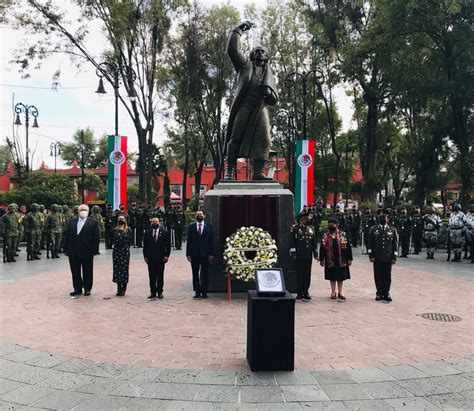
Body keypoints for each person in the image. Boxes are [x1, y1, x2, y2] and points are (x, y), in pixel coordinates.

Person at [223, 21, 278, 181]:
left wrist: (269, 94)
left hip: (261, 108)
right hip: (245, 107)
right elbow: (232, 50)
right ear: (253, 55)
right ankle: (230, 171)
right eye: (257, 51)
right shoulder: (244, 67)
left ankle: (258, 172)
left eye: (263, 51)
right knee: (236, 137)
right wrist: (238, 30)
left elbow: (274, 100)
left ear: (266, 56)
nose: (260, 53)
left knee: (264, 139)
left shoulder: (270, 73)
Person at [63, 204, 100, 297]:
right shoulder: (72, 222)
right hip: (73, 251)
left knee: (87, 270)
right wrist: (65, 248)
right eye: (81, 210)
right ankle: (77, 288)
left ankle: (87, 288)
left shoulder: (93, 222)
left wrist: (95, 250)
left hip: (87, 251)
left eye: (85, 210)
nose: (83, 211)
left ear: (88, 211)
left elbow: (96, 238)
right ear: (78, 211)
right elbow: (66, 235)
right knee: (75, 271)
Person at [319, 217, 352, 300]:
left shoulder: (342, 234)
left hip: (342, 259)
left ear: (337, 225)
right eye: (329, 225)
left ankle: (340, 292)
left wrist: (349, 258)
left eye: (332, 225)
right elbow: (322, 248)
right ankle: (333, 292)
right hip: (330, 259)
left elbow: (348, 247)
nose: (331, 226)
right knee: (332, 276)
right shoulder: (326, 235)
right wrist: (321, 259)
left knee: (341, 276)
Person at [368, 213, 398, 302]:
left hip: (388, 257)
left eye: (385, 218)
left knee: (387, 276)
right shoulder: (373, 229)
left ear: (388, 219)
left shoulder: (392, 230)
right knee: (378, 275)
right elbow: (370, 243)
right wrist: (371, 255)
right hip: (377, 257)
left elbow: (395, 245)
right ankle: (379, 292)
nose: (383, 219)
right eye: (381, 218)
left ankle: (386, 292)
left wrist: (394, 257)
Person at [186, 210, 215, 299]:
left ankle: (204, 292)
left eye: (201, 214)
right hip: (194, 255)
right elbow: (189, 241)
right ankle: (197, 291)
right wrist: (188, 254)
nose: (199, 215)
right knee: (195, 274)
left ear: (204, 216)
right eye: (197, 214)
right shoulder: (191, 227)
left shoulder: (209, 227)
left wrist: (211, 254)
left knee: (205, 274)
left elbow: (211, 241)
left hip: (205, 255)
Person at [290, 212, 318, 301]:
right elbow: (292, 242)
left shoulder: (311, 229)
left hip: (308, 255)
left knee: (307, 274)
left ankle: (306, 291)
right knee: (300, 274)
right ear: (301, 219)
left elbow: (313, 242)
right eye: (306, 218)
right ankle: (299, 292)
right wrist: (294, 254)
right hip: (299, 255)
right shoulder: (296, 228)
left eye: (307, 218)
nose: (308, 220)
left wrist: (315, 253)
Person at [143, 216, 171, 300]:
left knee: (160, 275)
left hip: (161, 258)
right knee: (151, 276)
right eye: (153, 222)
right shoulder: (147, 233)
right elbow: (145, 246)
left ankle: (160, 292)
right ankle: (153, 292)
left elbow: (168, 245)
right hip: (150, 258)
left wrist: (167, 255)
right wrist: (145, 256)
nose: (155, 223)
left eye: (156, 221)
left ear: (159, 223)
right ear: (151, 223)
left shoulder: (165, 232)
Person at [112, 214, 132, 296]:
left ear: (125, 220)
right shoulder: (114, 230)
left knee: (124, 269)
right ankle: (118, 288)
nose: (121, 220)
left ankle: (124, 288)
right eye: (120, 219)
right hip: (117, 251)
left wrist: (126, 247)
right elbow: (112, 239)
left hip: (125, 251)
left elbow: (130, 240)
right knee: (117, 269)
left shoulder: (128, 230)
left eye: (122, 219)